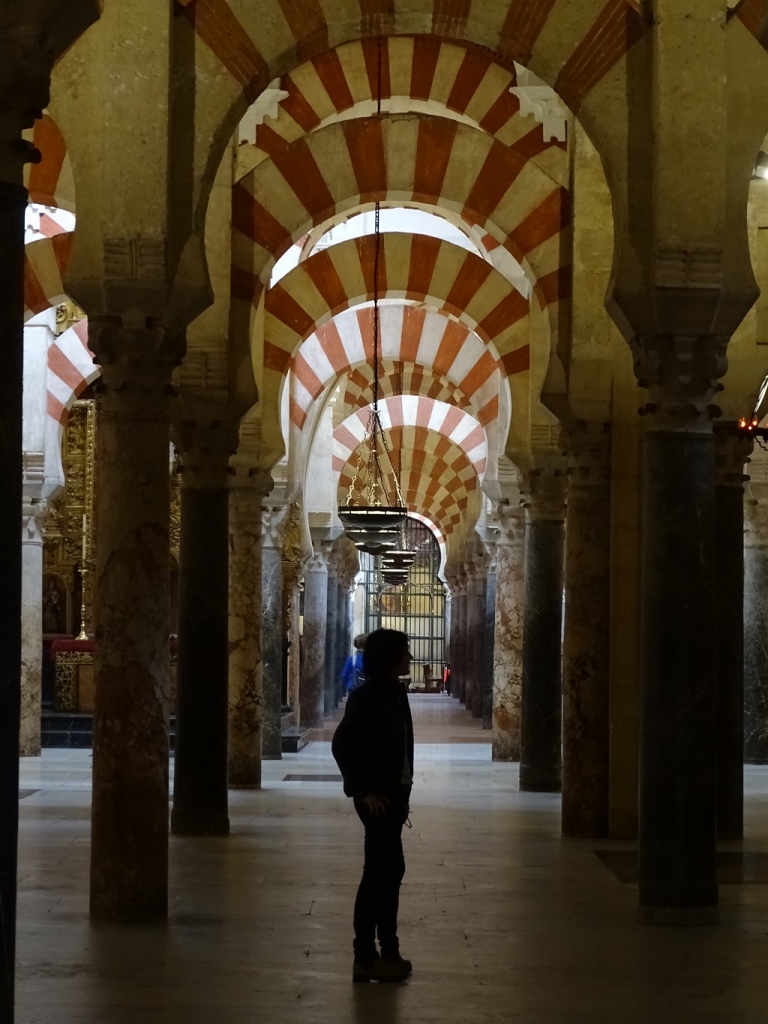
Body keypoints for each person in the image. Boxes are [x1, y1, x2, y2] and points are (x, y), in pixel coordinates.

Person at [331, 628, 414, 983]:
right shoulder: (367, 698)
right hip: (376, 801)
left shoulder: (395, 694)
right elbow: (341, 745)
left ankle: (386, 952)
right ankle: (368, 955)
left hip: (393, 798)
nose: (409, 657)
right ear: (389, 657)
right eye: (404, 652)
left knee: (389, 873)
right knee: (379, 876)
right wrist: (362, 790)